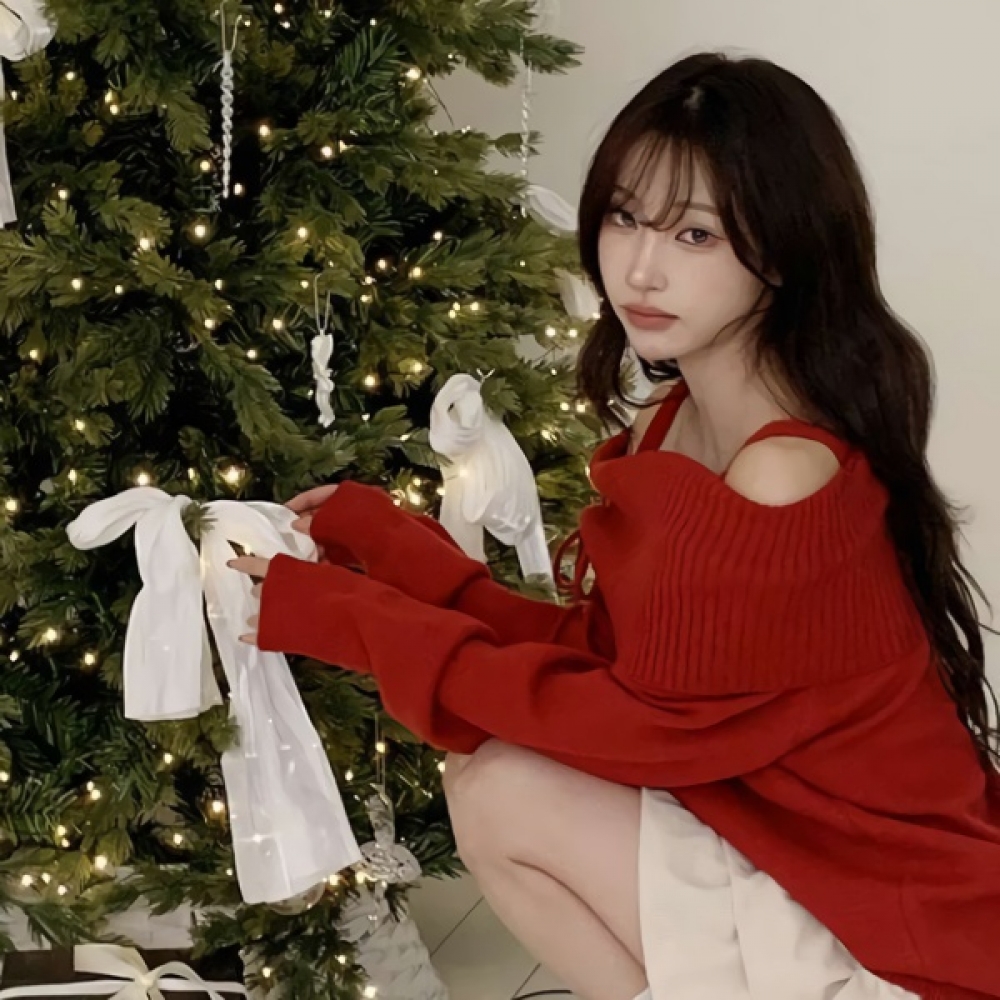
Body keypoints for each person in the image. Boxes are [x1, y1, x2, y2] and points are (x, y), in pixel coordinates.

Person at [228, 52, 1000, 1000]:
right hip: (790, 850)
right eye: (626, 217)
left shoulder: (781, 475)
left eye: (695, 234)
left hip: (901, 935)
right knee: (493, 779)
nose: (639, 268)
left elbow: (635, 724)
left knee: (501, 789)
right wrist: (391, 548)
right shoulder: (675, 422)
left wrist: (349, 618)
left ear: (783, 251)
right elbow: (611, 659)